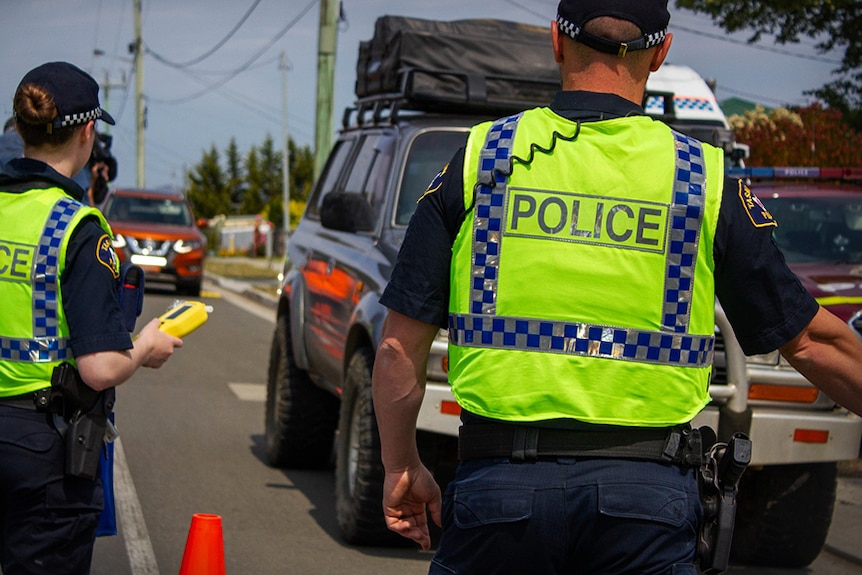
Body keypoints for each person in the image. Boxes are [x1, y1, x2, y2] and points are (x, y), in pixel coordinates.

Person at [371, 1, 862, 573]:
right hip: (645, 507)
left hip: (500, 497)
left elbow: (396, 348)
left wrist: (401, 464)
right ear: (660, 53)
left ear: (556, 40)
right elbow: (811, 342)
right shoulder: (701, 177)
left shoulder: (483, 160)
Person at [0, 61, 182, 575]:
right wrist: (146, 345)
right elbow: (99, 367)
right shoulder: (77, 226)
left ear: (21, 129)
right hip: (42, 447)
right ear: (87, 133)